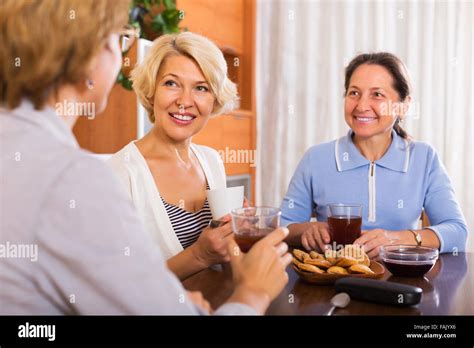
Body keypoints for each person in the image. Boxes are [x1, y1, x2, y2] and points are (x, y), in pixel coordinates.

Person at [0, 0, 291, 315]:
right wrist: (253, 293)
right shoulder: (79, 177)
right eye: (118, 39)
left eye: (201, 89)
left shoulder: (23, 149)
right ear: (86, 52)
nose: (185, 101)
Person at [280, 52, 468, 258]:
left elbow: (457, 231)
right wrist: (306, 230)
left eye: (377, 94)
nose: (361, 106)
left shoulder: (424, 158)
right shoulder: (316, 158)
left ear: (403, 106)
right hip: (334, 281)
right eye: (354, 93)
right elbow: (283, 225)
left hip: (401, 281)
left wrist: (398, 238)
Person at [108, 32, 240, 280]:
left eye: (201, 88)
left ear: (214, 100)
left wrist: (238, 234)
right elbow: (116, 284)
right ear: (152, 90)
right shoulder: (119, 174)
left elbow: (226, 261)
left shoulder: (212, 161)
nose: (184, 101)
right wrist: (199, 255)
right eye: (171, 83)